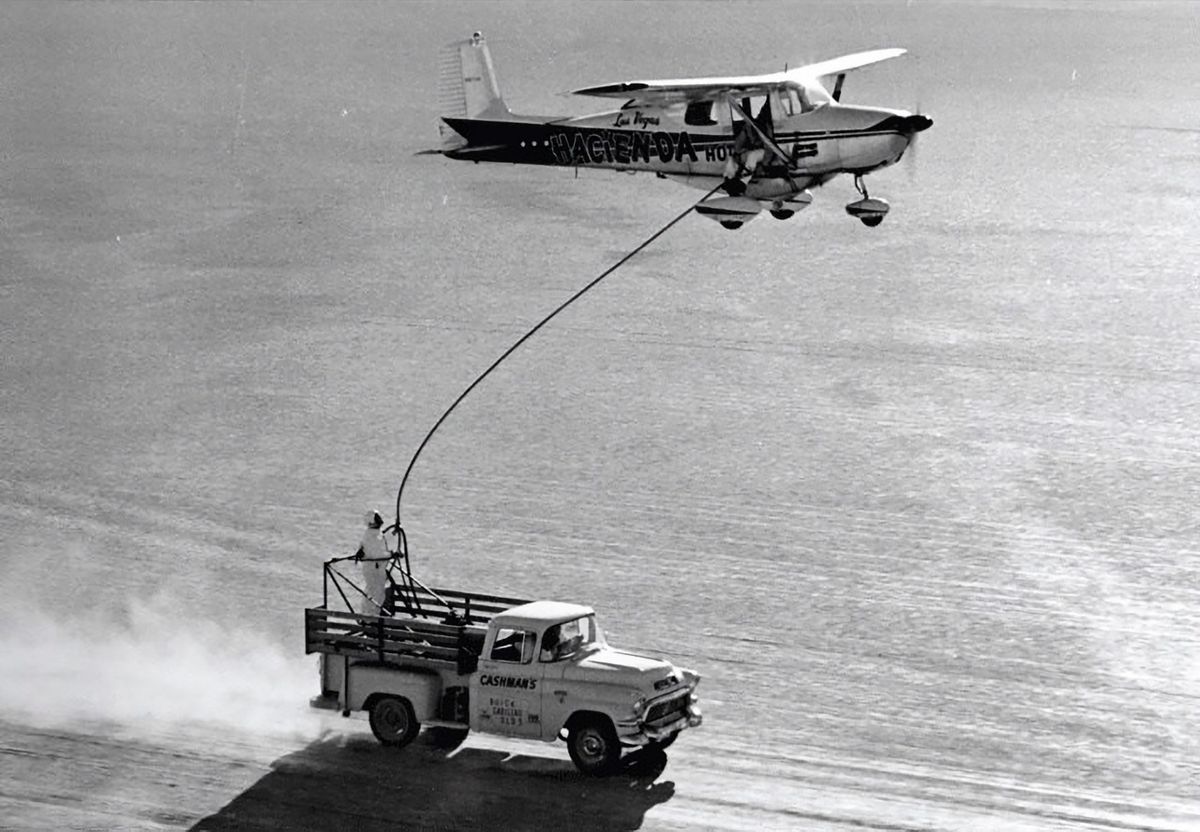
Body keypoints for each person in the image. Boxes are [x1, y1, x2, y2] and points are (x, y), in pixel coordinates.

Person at [357, 510, 391, 616]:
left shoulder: (375, 534)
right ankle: (369, 617)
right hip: (373, 569)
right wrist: (391, 554)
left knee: (378, 593)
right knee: (374, 593)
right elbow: (377, 554)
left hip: (377, 569)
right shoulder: (371, 536)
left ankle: (372, 616)